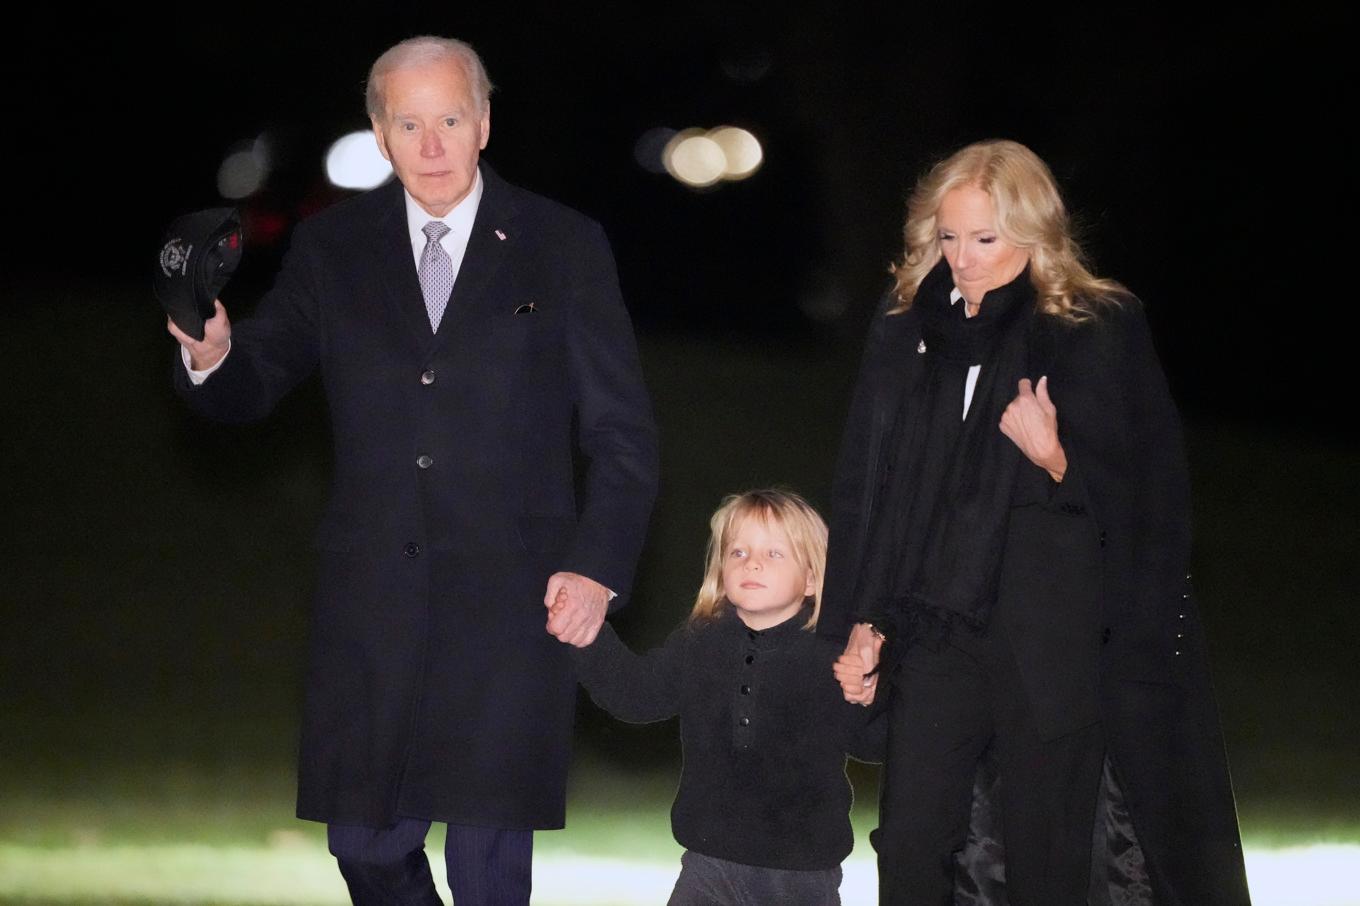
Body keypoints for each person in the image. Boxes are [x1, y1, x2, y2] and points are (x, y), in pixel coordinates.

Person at [167, 36, 658, 906]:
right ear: (379, 132)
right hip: (373, 604)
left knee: (488, 869)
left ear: (484, 124)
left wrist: (597, 568)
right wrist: (213, 356)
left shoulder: (561, 245)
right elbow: (256, 377)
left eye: (450, 119)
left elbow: (621, 432)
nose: (431, 146)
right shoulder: (333, 249)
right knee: (364, 845)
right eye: (408, 124)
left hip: (514, 602)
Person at [819, 139, 1251, 904]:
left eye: (985, 238)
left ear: (1033, 232)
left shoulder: (1093, 325)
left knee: (1047, 857)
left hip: (1050, 644)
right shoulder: (906, 334)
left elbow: (1153, 501)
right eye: (949, 237)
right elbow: (869, 492)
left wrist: (1058, 461)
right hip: (934, 631)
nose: (964, 257)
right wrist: (862, 617)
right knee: (911, 847)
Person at [570, 489, 880, 906]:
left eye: (774, 554)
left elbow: (872, 743)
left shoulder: (833, 655)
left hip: (801, 872)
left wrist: (869, 692)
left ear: (810, 577)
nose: (751, 562)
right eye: (737, 552)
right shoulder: (700, 641)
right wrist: (587, 635)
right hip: (708, 862)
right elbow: (636, 695)